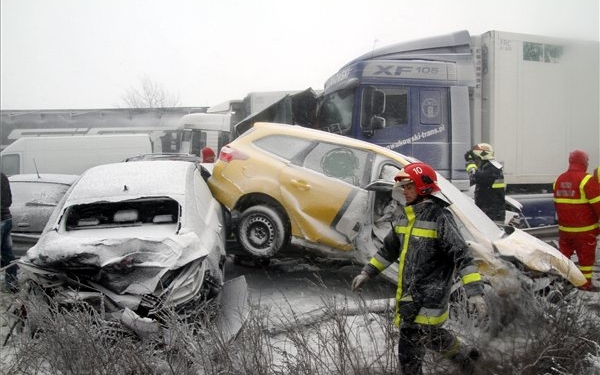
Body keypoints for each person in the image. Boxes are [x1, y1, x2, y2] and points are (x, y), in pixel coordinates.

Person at [351, 162, 487, 375]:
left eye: (408, 187)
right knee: (431, 336)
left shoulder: (440, 217)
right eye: (402, 187)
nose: (404, 192)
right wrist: (367, 272)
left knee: (409, 352)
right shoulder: (406, 215)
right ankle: (468, 357)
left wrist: (475, 293)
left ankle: (466, 359)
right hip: (410, 297)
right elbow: (389, 249)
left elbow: (462, 255)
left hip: (429, 298)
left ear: (423, 187)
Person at [553, 150, 600, 291]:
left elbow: (557, 204)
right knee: (586, 259)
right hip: (585, 230)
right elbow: (598, 205)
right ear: (584, 162)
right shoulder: (587, 180)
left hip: (565, 230)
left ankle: (563, 282)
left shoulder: (559, 179)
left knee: (564, 258)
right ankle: (585, 284)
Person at [464, 143, 506, 223]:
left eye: (476, 159)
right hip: (488, 214)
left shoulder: (493, 169)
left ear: (482, 157)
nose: (475, 161)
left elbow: (475, 177)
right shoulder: (488, 167)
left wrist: (470, 165)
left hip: (492, 216)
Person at [1, 172, 18, 293]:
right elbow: (8, 200)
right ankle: (12, 283)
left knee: (7, 253)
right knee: (8, 253)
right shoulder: (2, 177)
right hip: (6, 218)